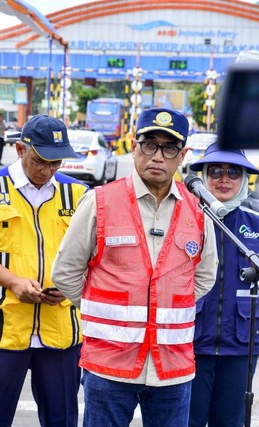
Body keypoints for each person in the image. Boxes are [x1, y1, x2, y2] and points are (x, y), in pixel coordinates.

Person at [51, 107, 219, 426]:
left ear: (182, 155)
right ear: (133, 146)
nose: (158, 156)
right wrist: (99, 310)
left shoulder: (197, 210)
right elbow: (66, 271)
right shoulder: (99, 202)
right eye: (149, 144)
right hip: (109, 366)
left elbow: (205, 276)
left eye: (169, 147)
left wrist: (169, 303)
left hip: (172, 369)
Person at [0, 114, 88, 427]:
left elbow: (92, 256)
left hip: (60, 330)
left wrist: (70, 288)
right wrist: (13, 282)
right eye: (40, 161)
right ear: (19, 149)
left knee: (63, 420)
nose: (48, 170)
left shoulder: (79, 195)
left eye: (56, 163)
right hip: (2, 328)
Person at [188, 145, 259, 427]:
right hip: (190, 345)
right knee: (186, 421)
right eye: (215, 171)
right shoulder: (184, 219)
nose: (224, 179)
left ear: (244, 179)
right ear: (203, 176)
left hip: (241, 349)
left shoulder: (256, 225)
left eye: (233, 172)